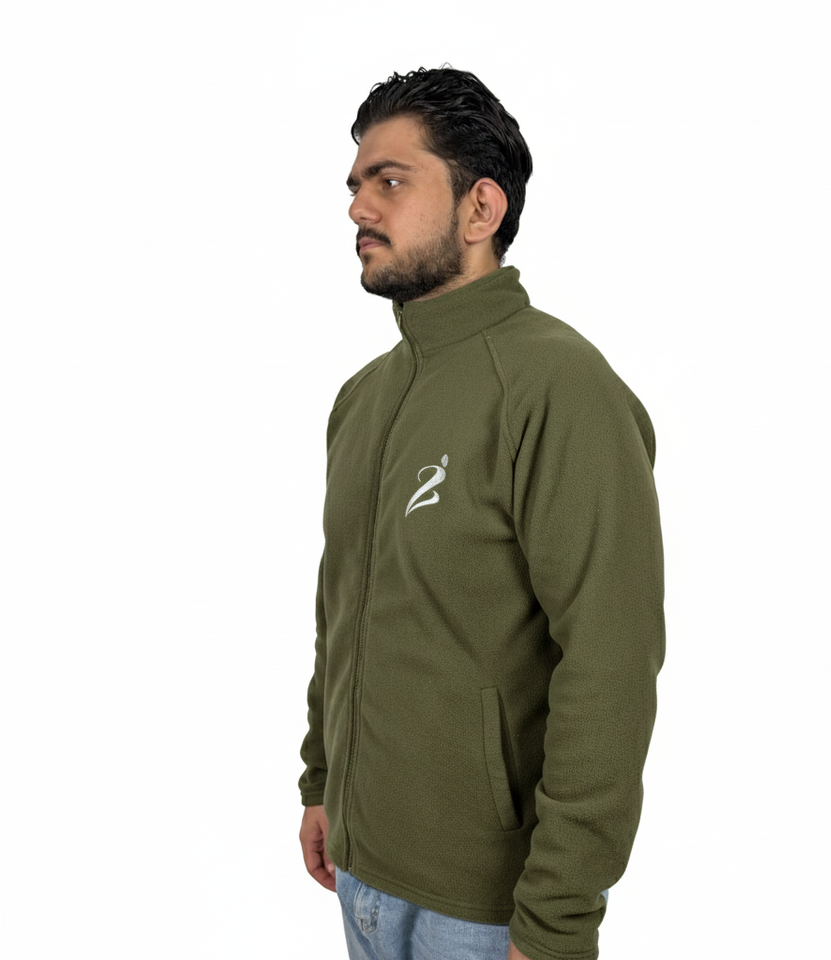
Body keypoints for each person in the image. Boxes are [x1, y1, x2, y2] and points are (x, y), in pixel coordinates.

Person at [298, 67, 665, 960]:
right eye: (355, 184)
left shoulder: (559, 387)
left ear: (480, 208)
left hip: (487, 909)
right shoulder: (361, 398)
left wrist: (558, 915)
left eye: (390, 180)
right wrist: (322, 780)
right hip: (360, 872)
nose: (357, 208)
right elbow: (343, 609)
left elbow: (610, 663)